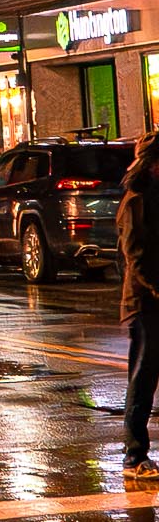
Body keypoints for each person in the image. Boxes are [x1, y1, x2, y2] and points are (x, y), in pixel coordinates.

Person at [118, 130, 159, 484]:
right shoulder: (137, 201)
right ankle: (134, 456)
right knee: (143, 379)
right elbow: (137, 256)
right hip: (145, 305)